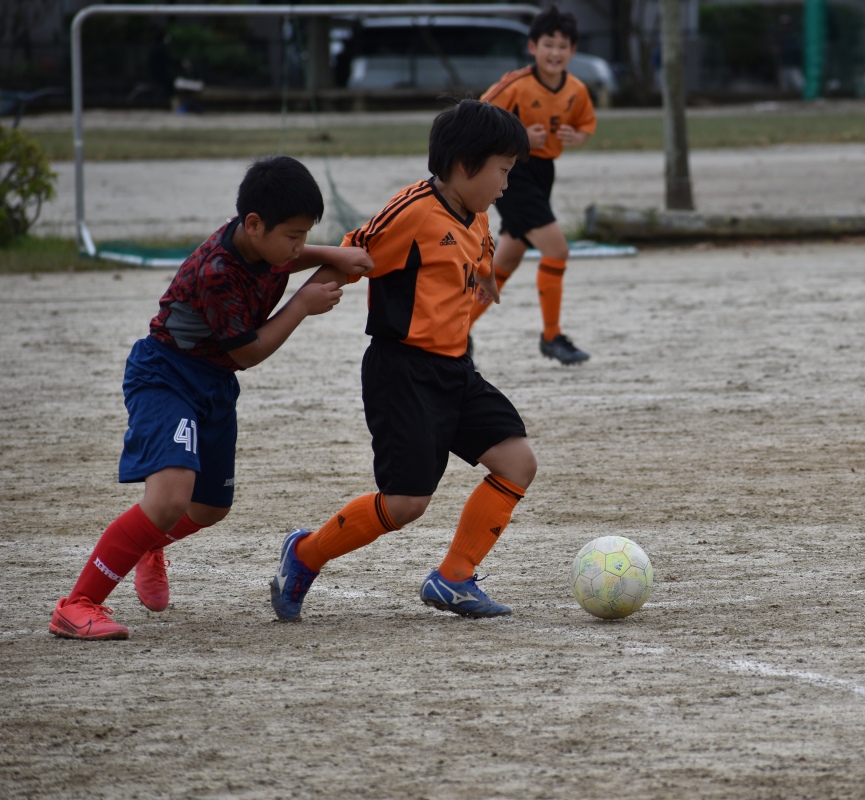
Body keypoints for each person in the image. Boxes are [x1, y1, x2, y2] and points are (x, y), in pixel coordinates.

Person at [49, 156, 373, 640]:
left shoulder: (261, 243)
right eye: (294, 235)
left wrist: (332, 254)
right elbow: (250, 352)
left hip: (214, 383)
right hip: (169, 376)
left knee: (209, 508)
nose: (299, 246)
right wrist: (301, 305)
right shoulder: (217, 271)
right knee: (169, 499)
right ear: (254, 223)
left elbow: (283, 256)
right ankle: (77, 604)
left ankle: (148, 543)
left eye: (306, 235)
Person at [269, 99, 536, 620]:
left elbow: (478, 253)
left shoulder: (478, 213)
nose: (506, 184)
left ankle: (453, 578)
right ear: (465, 166)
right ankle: (305, 554)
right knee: (406, 503)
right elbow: (353, 255)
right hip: (403, 372)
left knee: (517, 462)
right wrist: (297, 305)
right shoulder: (412, 213)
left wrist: (484, 278)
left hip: (454, 369)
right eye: (503, 171)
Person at [469, 4, 597, 365]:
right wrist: (521, 135)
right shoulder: (516, 84)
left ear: (573, 50)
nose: (555, 52)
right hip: (512, 173)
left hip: (543, 173)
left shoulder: (576, 89)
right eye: (548, 44)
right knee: (557, 249)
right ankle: (552, 336)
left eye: (563, 46)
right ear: (532, 47)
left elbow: (586, 126)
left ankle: (456, 329)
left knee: (508, 258)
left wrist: (578, 136)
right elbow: (478, 118)